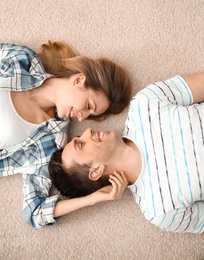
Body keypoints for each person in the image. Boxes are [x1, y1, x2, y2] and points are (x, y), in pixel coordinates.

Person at [49, 73, 204, 234]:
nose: (87, 131)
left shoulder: (144, 104)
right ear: (95, 171)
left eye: (79, 137)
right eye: (81, 144)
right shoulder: (160, 211)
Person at [0, 41, 132, 229]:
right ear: (79, 80)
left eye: (89, 115)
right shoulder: (22, 60)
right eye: (88, 107)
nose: (81, 117)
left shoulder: (51, 141)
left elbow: (35, 212)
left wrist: (92, 199)